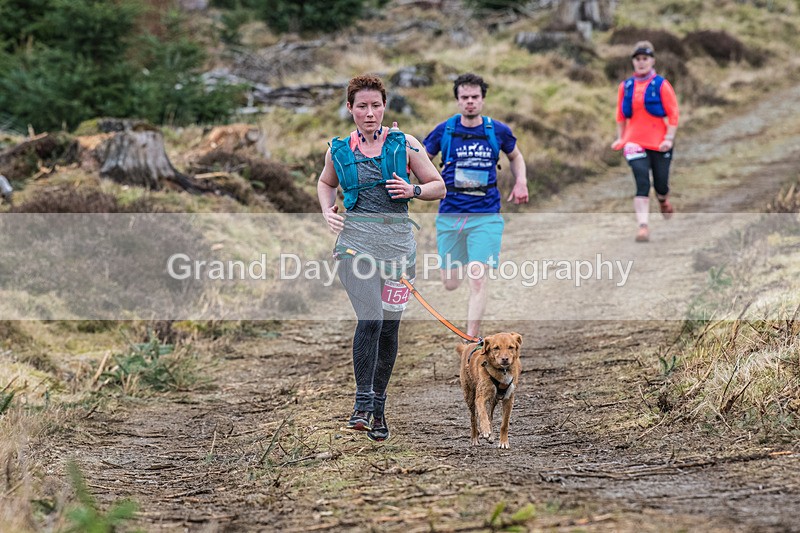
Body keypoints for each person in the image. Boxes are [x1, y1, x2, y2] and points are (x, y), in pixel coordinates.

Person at [317, 74, 445, 442]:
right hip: (354, 246)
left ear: (384, 107)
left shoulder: (406, 144)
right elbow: (326, 183)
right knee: (370, 318)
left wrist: (413, 189)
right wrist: (327, 210)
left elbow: (439, 186)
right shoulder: (338, 150)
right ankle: (361, 405)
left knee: (389, 328)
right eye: (362, 106)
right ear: (350, 109)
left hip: (399, 250)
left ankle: (378, 409)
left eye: (376, 106)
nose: (369, 113)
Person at [423, 73, 528, 339]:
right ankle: (467, 258)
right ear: (457, 101)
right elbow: (422, 159)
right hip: (450, 215)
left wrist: (521, 182)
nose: (470, 102)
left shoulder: (497, 130)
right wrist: (418, 187)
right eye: (464, 98)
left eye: (475, 97)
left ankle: (471, 339)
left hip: (486, 215)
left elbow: (515, 157)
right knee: (450, 283)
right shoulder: (444, 131)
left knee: (478, 277)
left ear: (482, 99)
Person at [611, 40, 680, 242]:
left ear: (652, 61)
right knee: (642, 182)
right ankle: (643, 226)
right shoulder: (626, 86)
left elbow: (673, 113)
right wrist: (621, 138)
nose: (641, 63)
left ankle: (663, 200)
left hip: (659, 141)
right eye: (637, 59)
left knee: (660, 184)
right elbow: (620, 115)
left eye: (645, 59)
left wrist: (669, 138)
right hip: (634, 141)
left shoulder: (661, 85)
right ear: (633, 62)